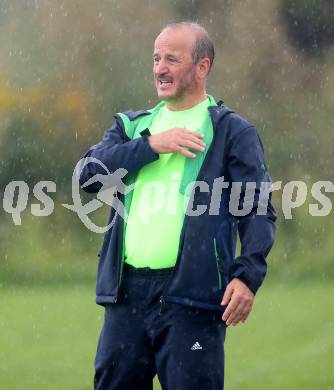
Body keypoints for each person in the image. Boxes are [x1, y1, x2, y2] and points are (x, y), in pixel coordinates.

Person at [79, 22, 276, 390]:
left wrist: (247, 276)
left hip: (193, 298)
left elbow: (257, 208)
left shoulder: (234, 132)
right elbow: (88, 176)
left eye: (172, 58)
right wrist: (151, 146)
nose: (160, 68)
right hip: (127, 298)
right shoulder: (132, 126)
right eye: (156, 58)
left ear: (202, 67)